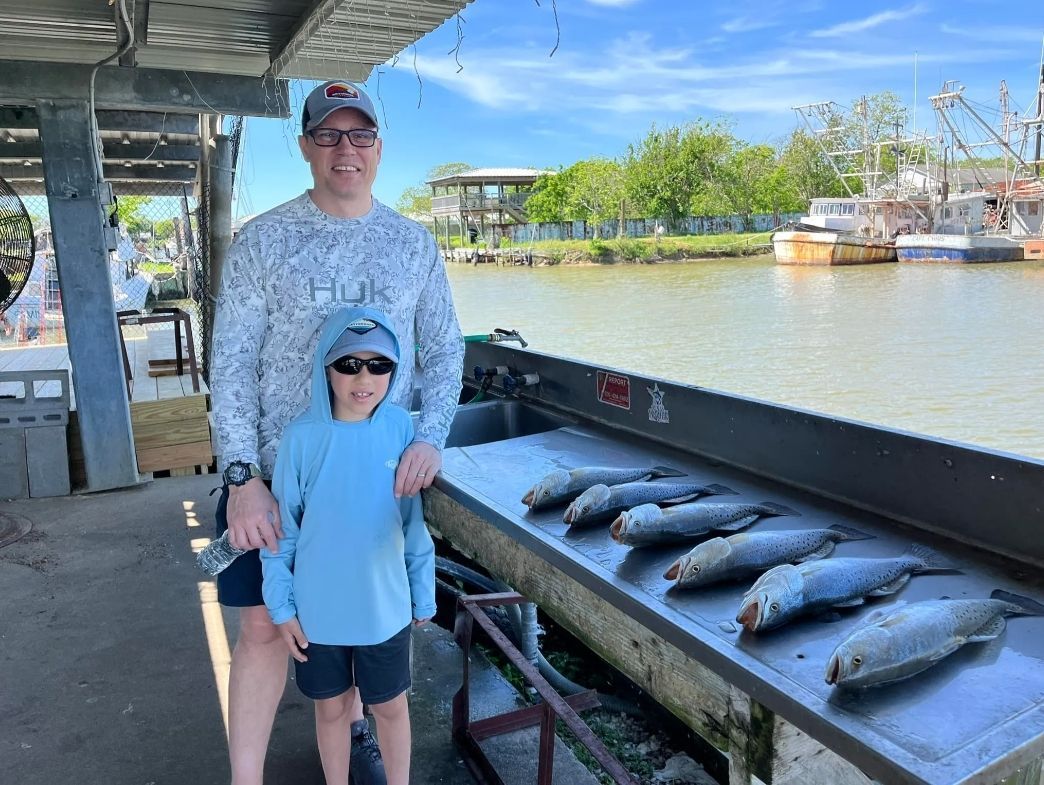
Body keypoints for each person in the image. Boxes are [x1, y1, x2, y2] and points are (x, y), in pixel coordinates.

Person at [210, 78, 464, 785]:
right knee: (263, 626)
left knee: (360, 619)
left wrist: (430, 436)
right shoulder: (262, 242)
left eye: (359, 135)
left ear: (379, 149)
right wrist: (241, 477)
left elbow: (445, 350)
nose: (344, 149)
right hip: (276, 476)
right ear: (305, 147)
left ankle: (354, 736)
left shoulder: (414, 245)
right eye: (327, 134)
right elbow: (230, 361)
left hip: (375, 480)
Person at [261, 307, 435, 785]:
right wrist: (282, 606)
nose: (365, 378)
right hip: (319, 613)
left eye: (380, 365)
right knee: (333, 709)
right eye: (349, 364)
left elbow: (411, 520)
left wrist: (423, 588)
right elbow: (282, 532)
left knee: (390, 706)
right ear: (326, 368)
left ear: (395, 371)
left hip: (386, 608)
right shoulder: (300, 439)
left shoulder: (400, 428)